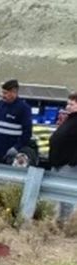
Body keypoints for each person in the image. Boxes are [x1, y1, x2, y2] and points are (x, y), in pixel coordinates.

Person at [48, 92, 77, 220]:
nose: (68, 106)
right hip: (57, 161)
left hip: (69, 164)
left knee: (65, 194)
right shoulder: (69, 119)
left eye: (71, 104)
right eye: (67, 103)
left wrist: (73, 161)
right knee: (55, 193)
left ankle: (64, 221)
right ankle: (57, 220)